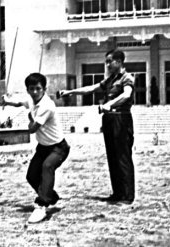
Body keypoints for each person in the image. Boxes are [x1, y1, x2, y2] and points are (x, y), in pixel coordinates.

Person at [60, 49, 135, 204]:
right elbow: (92, 88)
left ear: (119, 62)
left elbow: (126, 95)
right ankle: (118, 193)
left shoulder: (127, 78)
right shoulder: (110, 79)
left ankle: (127, 196)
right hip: (109, 120)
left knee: (123, 158)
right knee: (112, 157)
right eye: (106, 61)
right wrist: (71, 92)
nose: (107, 65)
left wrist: (109, 104)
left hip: (121, 119)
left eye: (110, 61)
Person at [1, 73, 70, 223]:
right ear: (27, 90)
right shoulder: (30, 99)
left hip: (59, 148)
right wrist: (8, 102)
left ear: (44, 89)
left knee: (47, 167)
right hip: (43, 147)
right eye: (31, 89)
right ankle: (51, 196)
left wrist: (30, 118)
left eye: (38, 88)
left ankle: (41, 206)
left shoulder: (47, 106)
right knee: (31, 176)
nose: (34, 92)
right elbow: (20, 103)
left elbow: (32, 129)